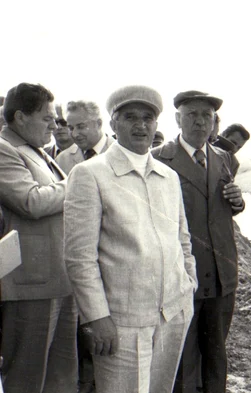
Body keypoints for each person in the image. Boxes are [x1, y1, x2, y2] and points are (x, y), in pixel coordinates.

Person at [64, 85, 197, 393]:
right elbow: (79, 257)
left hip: (173, 314)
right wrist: (97, 318)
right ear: (113, 124)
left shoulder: (168, 176)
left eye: (148, 118)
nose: (140, 125)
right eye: (130, 117)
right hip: (123, 321)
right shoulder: (90, 174)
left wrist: (188, 285)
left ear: (156, 124)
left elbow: (182, 238)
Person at [152, 90, 244, 393]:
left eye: (207, 115)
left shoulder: (224, 158)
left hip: (220, 274)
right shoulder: (159, 159)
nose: (200, 121)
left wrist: (237, 201)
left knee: (217, 353)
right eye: (192, 114)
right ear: (178, 118)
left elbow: (223, 207)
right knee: (182, 357)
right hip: (181, 275)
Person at [0, 83, 76, 393]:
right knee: (27, 380)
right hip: (31, 285)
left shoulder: (35, 151)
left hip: (58, 278)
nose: (55, 126)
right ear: (20, 117)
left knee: (60, 378)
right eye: (47, 118)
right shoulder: (4, 148)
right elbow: (30, 201)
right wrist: (78, 184)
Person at [56, 100, 115, 174]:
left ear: (99, 124)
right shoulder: (62, 160)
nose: (75, 134)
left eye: (81, 127)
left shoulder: (121, 153)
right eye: (71, 128)